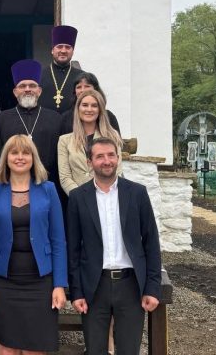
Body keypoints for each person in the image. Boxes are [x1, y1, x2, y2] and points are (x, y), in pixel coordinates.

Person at [67, 137, 162, 355]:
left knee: (129, 350)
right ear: (90, 162)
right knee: (95, 350)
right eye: (100, 156)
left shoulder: (137, 193)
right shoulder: (78, 197)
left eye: (111, 155)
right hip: (94, 286)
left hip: (130, 285)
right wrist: (77, 292)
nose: (106, 161)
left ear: (118, 158)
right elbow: (73, 249)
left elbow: (151, 242)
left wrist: (152, 287)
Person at [0, 134, 67, 354]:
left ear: (33, 158)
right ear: (6, 158)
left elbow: (58, 240)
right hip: (2, 283)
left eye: (26, 153)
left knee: (35, 348)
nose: (20, 157)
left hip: (40, 283)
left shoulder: (48, 190)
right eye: (14, 152)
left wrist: (59, 285)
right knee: (6, 349)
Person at [0, 59, 62, 186]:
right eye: (22, 86)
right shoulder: (1, 120)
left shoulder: (55, 119)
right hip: (10, 185)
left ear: (39, 91)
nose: (27, 89)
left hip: (47, 184)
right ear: (15, 92)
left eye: (32, 85)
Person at [58, 89, 123, 196]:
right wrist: (81, 198)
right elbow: (65, 178)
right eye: (85, 105)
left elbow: (118, 171)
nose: (89, 109)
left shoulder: (112, 136)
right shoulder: (64, 141)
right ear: (78, 109)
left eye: (94, 105)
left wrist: (104, 196)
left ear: (100, 110)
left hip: (108, 197)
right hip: (78, 199)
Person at [39, 25, 84, 114]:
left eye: (68, 47)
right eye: (59, 47)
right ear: (52, 50)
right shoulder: (39, 75)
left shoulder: (82, 77)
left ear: (73, 51)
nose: (63, 51)